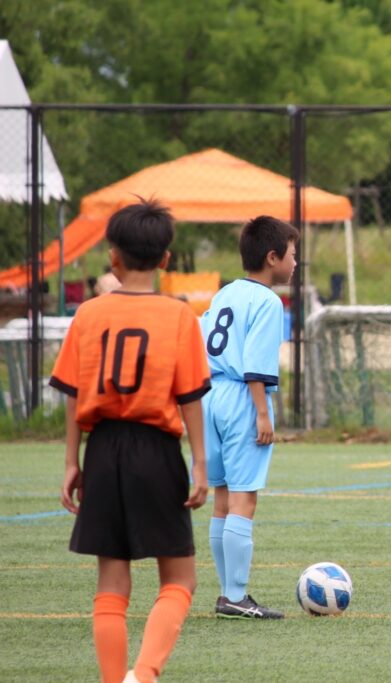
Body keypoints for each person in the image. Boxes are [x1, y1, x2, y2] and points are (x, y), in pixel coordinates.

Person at [51, 199, 211, 683]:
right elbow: (190, 398)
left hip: (102, 448)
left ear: (112, 256)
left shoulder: (88, 314)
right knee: (179, 577)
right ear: (166, 259)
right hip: (156, 451)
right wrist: (200, 463)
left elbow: (72, 394)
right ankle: (143, 675)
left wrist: (72, 461)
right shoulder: (179, 316)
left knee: (112, 580)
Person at [202, 215, 298, 619]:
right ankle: (237, 596)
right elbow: (257, 365)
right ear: (272, 257)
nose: (295, 263)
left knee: (222, 498)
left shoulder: (225, 293)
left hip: (209, 395)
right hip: (243, 398)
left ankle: (228, 594)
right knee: (244, 498)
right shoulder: (268, 301)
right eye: (292, 255)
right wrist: (262, 414)